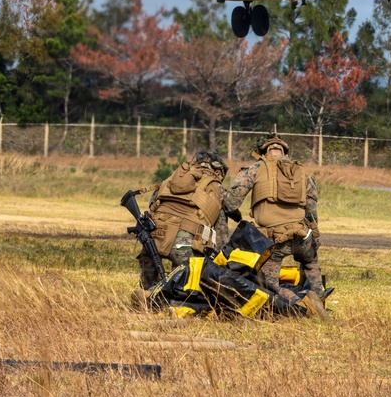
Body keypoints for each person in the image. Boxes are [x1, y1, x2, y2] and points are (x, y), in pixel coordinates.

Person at [223, 135, 328, 318]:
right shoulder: (302, 172)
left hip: (275, 241)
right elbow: (312, 211)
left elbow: (231, 203)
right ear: (286, 153)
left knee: (270, 284)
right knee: (310, 262)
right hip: (301, 235)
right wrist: (314, 237)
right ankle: (318, 299)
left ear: (264, 153)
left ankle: (301, 306)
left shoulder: (255, 168)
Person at [139, 150, 231, 289]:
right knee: (185, 275)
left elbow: (153, 206)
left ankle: (147, 293)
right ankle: (168, 298)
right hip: (183, 245)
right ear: (219, 172)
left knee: (149, 260)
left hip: (154, 239)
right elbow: (221, 236)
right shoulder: (217, 188)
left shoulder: (172, 179)